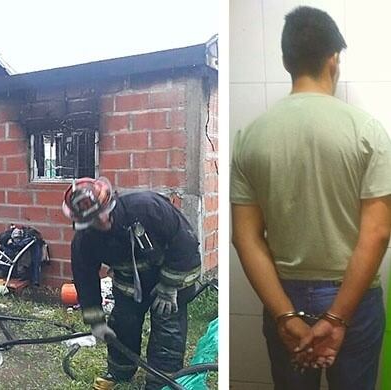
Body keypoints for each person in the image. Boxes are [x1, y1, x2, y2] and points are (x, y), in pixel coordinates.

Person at [231, 6, 391, 390]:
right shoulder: (367, 131)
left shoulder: (251, 137)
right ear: (334, 58)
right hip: (355, 298)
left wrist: (286, 316)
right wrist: (337, 319)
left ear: (286, 61)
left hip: (284, 294)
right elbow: (378, 233)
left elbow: (245, 237)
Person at [62, 177, 201, 389]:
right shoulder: (85, 239)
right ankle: (120, 371)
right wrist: (96, 320)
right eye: (93, 221)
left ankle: (161, 381)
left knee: (168, 329)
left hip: (169, 280)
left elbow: (185, 244)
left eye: (102, 216)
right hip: (129, 285)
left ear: (111, 204)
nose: (101, 224)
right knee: (123, 324)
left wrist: (169, 286)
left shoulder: (147, 208)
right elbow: (85, 280)